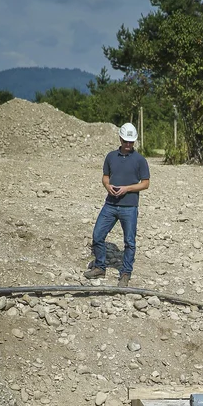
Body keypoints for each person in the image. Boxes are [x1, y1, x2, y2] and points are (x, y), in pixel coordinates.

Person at [84, 122, 150, 287]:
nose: (128, 145)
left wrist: (127, 188)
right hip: (110, 205)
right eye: (126, 141)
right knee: (98, 235)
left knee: (129, 241)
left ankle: (126, 272)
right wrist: (107, 186)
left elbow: (145, 183)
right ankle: (100, 266)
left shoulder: (140, 160)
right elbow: (105, 177)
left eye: (131, 142)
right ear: (120, 138)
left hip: (130, 207)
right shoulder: (111, 157)